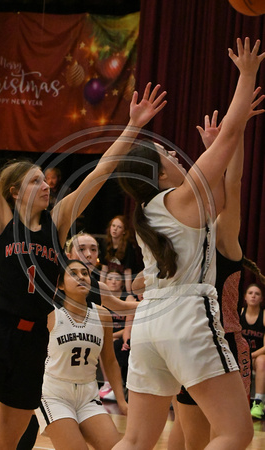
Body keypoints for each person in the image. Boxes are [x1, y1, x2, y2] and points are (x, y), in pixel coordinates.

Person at [0, 50, 167, 449]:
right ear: (14, 191)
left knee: (6, 444)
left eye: (47, 180)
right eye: (37, 181)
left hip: (33, 341)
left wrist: (132, 125)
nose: (47, 185)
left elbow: (99, 172)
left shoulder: (57, 224)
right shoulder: (4, 221)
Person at [112, 38, 265, 450]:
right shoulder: (180, 199)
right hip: (185, 315)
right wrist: (247, 75)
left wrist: (216, 148)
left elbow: (224, 188)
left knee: (137, 439)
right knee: (235, 432)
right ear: (160, 177)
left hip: (148, 324)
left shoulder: (146, 212)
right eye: (166, 156)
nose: (175, 157)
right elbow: (231, 135)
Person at [167, 88, 265, 449]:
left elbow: (231, 184)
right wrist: (226, 139)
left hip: (201, 341)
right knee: (218, 436)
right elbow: (226, 185)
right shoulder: (187, 237)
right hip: (207, 343)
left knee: (191, 436)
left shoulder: (218, 236)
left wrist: (226, 140)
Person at [35, 259, 127, 450]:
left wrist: (122, 401)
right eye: (74, 274)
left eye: (84, 273)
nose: (81, 277)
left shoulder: (102, 315)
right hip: (54, 394)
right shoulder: (50, 314)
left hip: (88, 395)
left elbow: (109, 361)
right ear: (60, 284)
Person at [99, 270, 137, 401]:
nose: (113, 282)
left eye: (117, 279)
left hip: (124, 335)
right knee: (102, 344)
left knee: (113, 344)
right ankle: (107, 383)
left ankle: (118, 387)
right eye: (110, 278)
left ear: (122, 283)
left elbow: (129, 326)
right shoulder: (102, 299)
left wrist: (113, 335)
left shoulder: (128, 298)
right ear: (105, 282)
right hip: (109, 335)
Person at [241, 283, 265, 419]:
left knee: (262, 361)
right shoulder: (240, 314)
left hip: (257, 356)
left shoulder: (263, 316)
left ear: (261, 299)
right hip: (242, 356)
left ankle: (258, 403)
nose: (253, 296)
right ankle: (238, 404)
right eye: (250, 293)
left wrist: (251, 355)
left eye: (257, 294)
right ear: (245, 297)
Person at [100, 215, 139, 293]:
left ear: (124, 231)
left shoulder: (128, 247)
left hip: (122, 283)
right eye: (113, 226)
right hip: (109, 281)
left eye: (119, 227)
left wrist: (128, 293)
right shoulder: (105, 243)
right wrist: (101, 287)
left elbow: (128, 272)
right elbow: (104, 268)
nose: (115, 229)